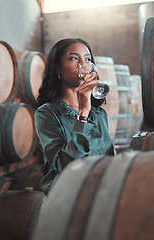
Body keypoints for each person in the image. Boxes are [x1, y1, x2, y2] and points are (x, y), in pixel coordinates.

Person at [34, 38, 115, 194]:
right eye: (73, 58)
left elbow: (108, 158)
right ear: (58, 68)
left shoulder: (99, 114)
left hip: (100, 193)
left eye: (88, 59)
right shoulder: (47, 113)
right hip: (67, 197)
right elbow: (64, 166)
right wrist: (83, 113)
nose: (83, 66)